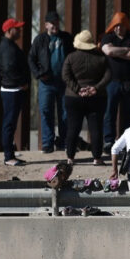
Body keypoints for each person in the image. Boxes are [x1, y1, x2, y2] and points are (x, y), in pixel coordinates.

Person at [62, 30, 111, 165]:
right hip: (97, 97)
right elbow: (108, 76)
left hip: (73, 98)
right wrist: (95, 88)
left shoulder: (71, 58)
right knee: (96, 128)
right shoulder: (101, 57)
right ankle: (97, 158)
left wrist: (78, 89)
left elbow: (65, 76)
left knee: (73, 127)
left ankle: (70, 157)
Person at [29, 11, 74, 153]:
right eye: (52, 23)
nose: (55, 25)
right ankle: (47, 143)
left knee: (65, 113)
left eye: (57, 22)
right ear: (46, 25)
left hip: (64, 82)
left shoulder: (66, 38)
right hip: (46, 82)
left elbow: (74, 57)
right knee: (46, 111)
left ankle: (64, 142)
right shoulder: (40, 39)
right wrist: (38, 74)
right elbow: (31, 59)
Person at [101, 12, 130, 153]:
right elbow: (108, 51)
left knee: (129, 114)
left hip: (128, 83)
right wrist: (126, 50)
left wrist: (116, 51)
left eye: (122, 26)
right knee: (109, 112)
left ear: (126, 26)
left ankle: (127, 142)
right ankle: (108, 141)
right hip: (111, 82)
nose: (119, 28)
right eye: (116, 26)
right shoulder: (108, 37)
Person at [0, 18, 30, 166]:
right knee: (9, 124)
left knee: (10, 123)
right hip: (12, 90)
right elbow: (8, 69)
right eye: (17, 28)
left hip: (13, 88)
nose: (19, 31)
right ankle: (8, 157)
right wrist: (22, 83)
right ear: (9, 30)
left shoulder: (9, 45)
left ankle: (10, 155)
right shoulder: (7, 48)